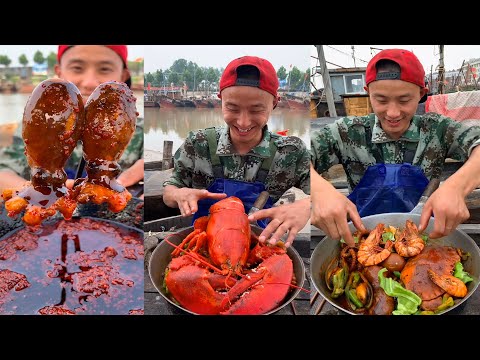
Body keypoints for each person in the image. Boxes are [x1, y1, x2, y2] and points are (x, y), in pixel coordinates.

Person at [311, 48, 480, 246]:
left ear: (421, 94)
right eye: (381, 100)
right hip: (361, 238)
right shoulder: (347, 132)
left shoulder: (438, 130)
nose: (392, 112)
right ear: (368, 94)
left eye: (404, 100)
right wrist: (320, 190)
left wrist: (457, 187)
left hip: (425, 237)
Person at [163, 55, 310, 247]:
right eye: (232, 108)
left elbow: (321, 191)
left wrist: (307, 206)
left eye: (256, 110)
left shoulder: (291, 152)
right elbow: (169, 191)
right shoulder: (198, 144)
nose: (243, 122)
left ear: (274, 103)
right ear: (220, 100)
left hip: (258, 242)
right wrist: (178, 195)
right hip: (205, 243)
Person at [0, 45, 144, 196]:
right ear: (59, 72)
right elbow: (3, 172)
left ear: (124, 76)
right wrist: (41, 191)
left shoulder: (139, 132)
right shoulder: (36, 129)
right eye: (77, 68)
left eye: (104, 69)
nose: (89, 82)